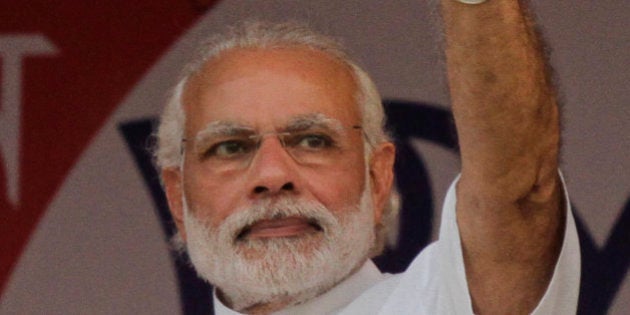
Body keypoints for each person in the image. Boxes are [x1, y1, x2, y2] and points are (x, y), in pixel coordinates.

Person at [154, 0, 580, 314]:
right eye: (231, 147)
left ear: (378, 180)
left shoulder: (437, 303)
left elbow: (517, 195)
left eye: (312, 140)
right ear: (177, 197)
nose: (272, 174)